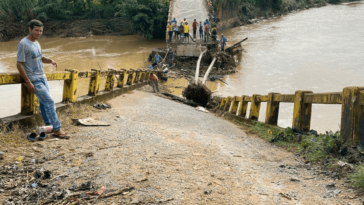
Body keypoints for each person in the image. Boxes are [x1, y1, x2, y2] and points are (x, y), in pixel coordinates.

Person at [16, 19, 70, 139]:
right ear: (30, 29)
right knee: (50, 101)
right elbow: (19, 64)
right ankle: (57, 129)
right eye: (36, 30)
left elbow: (39, 57)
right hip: (34, 79)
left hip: (42, 77)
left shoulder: (36, 42)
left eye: (40, 31)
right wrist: (27, 81)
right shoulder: (23, 44)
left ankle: (49, 126)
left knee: (44, 103)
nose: (39, 33)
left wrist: (50, 60)